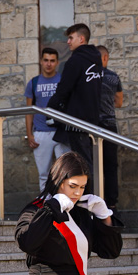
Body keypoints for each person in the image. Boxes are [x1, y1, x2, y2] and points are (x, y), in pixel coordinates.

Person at [46, 24, 103, 171]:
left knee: (81, 164)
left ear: (81, 39)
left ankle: (87, 193)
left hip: (77, 122)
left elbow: (63, 90)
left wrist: (50, 108)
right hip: (93, 121)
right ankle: (91, 192)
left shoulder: (75, 60)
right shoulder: (96, 61)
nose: (68, 42)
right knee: (90, 162)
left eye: (71, 38)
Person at [24, 47, 68, 190]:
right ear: (41, 62)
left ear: (57, 63)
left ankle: (63, 206)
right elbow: (29, 111)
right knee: (44, 174)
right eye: (46, 60)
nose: (49, 64)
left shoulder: (63, 81)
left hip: (60, 131)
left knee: (65, 173)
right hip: (41, 133)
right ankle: (46, 206)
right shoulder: (34, 83)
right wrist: (29, 134)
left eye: (52, 61)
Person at [97, 45, 123, 209]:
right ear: (106, 57)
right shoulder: (113, 77)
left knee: (91, 164)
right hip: (109, 125)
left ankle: (92, 199)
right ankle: (111, 203)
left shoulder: (89, 76)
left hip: (90, 125)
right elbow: (119, 102)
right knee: (110, 166)